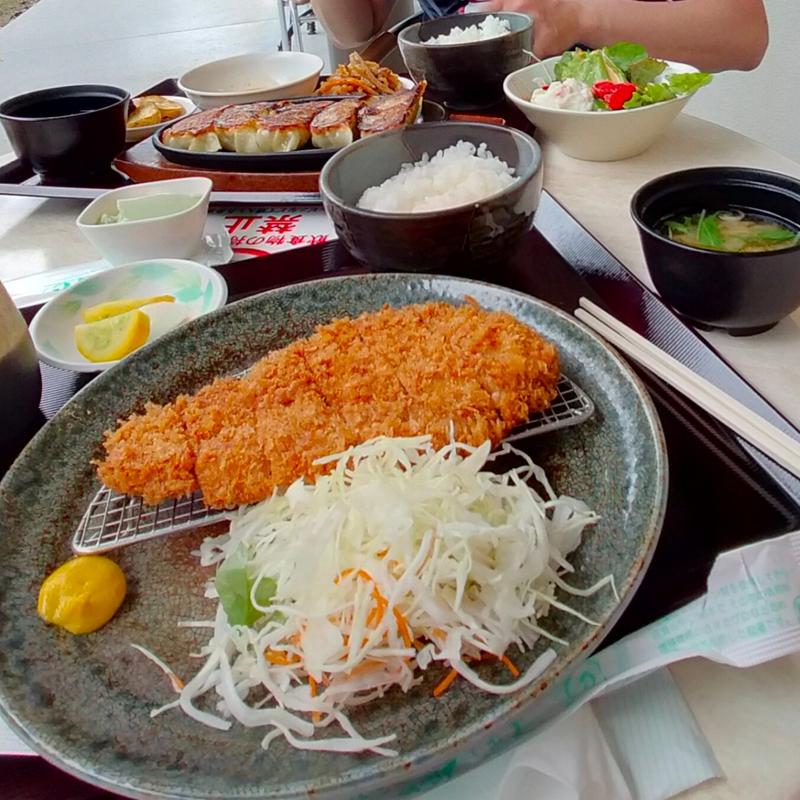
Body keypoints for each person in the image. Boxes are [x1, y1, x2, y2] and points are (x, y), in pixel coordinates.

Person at [311, 0, 768, 72]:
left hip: (615, 135)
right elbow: (357, 30)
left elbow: (743, 33)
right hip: (452, 138)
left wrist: (573, 15)